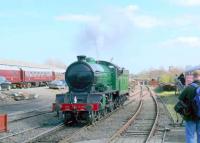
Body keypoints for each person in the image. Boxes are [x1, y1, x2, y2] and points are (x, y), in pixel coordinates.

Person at [178, 70, 200, 143]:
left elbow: (180, 99)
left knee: (190, 135)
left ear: (193, 77)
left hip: (190, 116)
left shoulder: (188, 88)